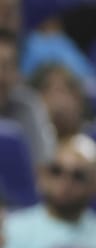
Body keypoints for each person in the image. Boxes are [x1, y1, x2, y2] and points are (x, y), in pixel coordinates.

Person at [2, 134, 96, 248]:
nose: (65, 182)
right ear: (42, 175)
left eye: (78, 175)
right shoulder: (10, 230)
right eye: (56, 171)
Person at [0, 28, 57, 163]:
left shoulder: (28, 105)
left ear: (18, 74)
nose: (1, 77)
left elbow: (44, 164)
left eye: (7, 67)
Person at [29, 63, 90, 142]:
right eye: (58, 91)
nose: (63, 101)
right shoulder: (27, 139)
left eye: (68, 91)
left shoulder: (87, 143)